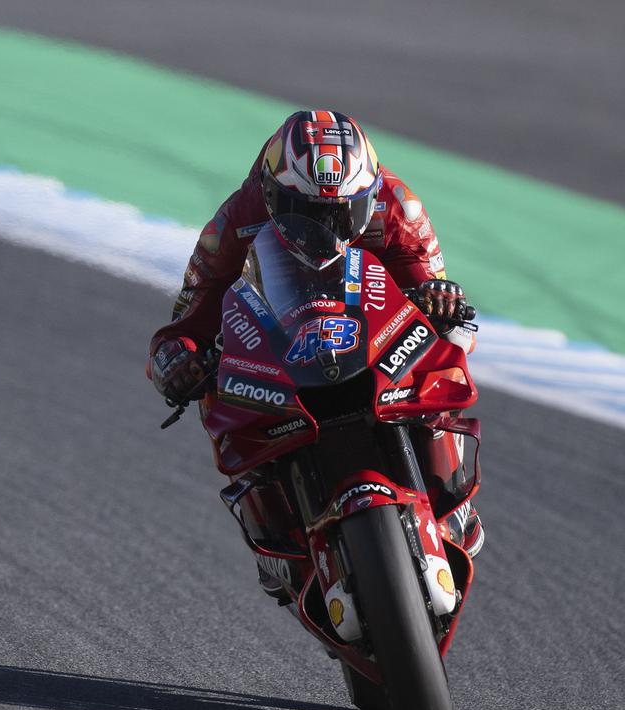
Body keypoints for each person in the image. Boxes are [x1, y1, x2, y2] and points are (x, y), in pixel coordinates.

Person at [146, 110, 484, 566]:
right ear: (272, 195)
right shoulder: (234, 223)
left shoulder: (397, 205)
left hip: (371, 335)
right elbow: (184, 326)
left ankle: (450, 498)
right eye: (308, 213)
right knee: (216, 390)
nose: (327, 229)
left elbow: (433, 292)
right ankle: (275, 529)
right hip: (281, 345)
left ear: (367, 194)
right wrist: (178, 361)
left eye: (345, 212)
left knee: (452, 341)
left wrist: (441, 299)